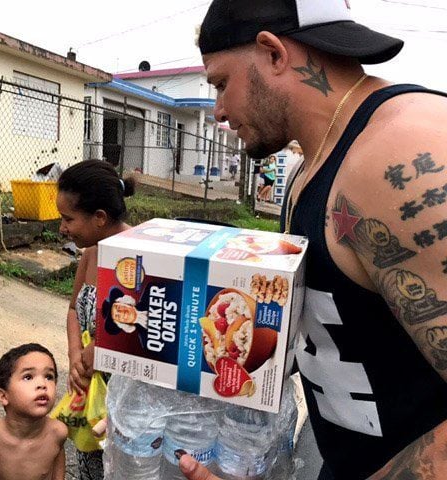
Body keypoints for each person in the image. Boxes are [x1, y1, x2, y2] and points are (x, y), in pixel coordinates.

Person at [181, 0, 447, 479]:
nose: (218, 110)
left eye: (221, 83)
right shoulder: (314, 161)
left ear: (274, 52)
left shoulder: (404, 154)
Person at [56, 159, 135, 479]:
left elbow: (146, 326)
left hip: (129, 400)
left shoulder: (142, 254)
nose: (62, 228)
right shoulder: (91, 251)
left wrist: (101, 348)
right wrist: (77, 356)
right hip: (91, 389)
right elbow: (75, 309)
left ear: (99, 218)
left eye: (68, 219)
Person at [0, 343, 67, 480]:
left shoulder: (57, 433)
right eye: (28, 377)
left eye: (49, 377)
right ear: (3, 396)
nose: (42, 384)